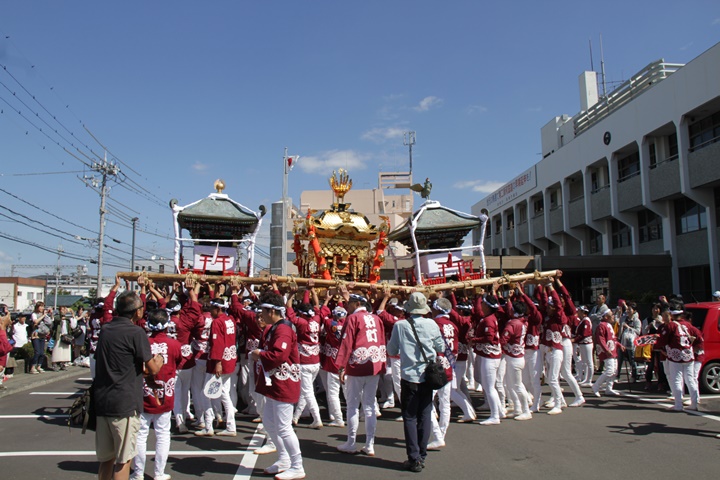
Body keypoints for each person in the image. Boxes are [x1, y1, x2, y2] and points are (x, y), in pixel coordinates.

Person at [94, 287, 163, 480]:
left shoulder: (106, 330)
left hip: (102, 400)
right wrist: (159, 361)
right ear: (137, 312)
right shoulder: (136, 332)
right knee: (123, 460)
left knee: (106, 459)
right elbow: (152, 368)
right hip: (124, 402)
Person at [387, 292, 444, 473]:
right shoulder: (432, 324)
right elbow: (441, 346)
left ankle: (414, 457)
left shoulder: (400, 325)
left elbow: (392, 349)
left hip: (409, 375)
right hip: (428, 375)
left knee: (410, 417)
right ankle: (422, 454)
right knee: (425, 415)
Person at [249, 291, 305, 480]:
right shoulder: (275, 328)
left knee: (283, 427)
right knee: (269, 422)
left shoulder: (283, 329)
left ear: (272, 311)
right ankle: (284, 459)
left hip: (284, 382)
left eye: (263, 312)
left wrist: (260, 354)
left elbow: (279, 355)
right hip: (275, 381)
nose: (261, 316)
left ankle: (297, 465)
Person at [131, 309, 186, 480]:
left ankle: (138, 473)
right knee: (162, 434)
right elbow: (179, 361)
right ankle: (159, 473)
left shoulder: (142, 343)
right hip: (165, 395)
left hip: (143, 394)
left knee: (140, 435)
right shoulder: (174, 344)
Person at [335, 289, 386, 457]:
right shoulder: (376, 318)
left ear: (357, 304)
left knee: (352, 405)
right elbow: (382, 342)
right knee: (370, 405)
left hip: (357, 365)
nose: (347, 306)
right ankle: (370, 444)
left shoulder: (353, 318)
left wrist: (341, 366)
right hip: (374, 365)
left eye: (349, 303)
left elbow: (346, 343)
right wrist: (382, 363)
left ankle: (351, 442)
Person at [592, 307, 620, 397]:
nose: (613, 316)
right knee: (610, 370)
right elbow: (601, 339)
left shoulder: (609, 325)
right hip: (607, 351)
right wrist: (606, 349)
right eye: (612, 315)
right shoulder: (601, 325)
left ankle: (609, 388)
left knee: (614, 371)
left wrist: (619, 345)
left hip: (612, 349)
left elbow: (613, 338)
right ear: (606, 317)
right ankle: (596, 386)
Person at [616, 301, 641, 382]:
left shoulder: (636, 320)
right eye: (627, 309)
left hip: (631, 343)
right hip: (622, 341)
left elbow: (638, 331)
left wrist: (628, 327)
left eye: (630, 309)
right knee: (619, 359)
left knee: (632, 359)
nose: (628, 311)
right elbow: (618, 323)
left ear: (634, 311)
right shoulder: (623, 318)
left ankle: (634, 375)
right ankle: (617, 376)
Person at [30, 302, 52, 374]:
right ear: (37, 307)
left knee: (42, 353)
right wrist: (43, 316)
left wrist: (49, 314)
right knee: (37, 352)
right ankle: (33, 367)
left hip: (42, 335)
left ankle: (39, 366)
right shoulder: (34, 314)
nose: (42, 308)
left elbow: (50, 322)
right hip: (35, 335)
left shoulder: (44, 315)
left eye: (43, 306)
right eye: (40, 306)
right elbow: (35, 321)